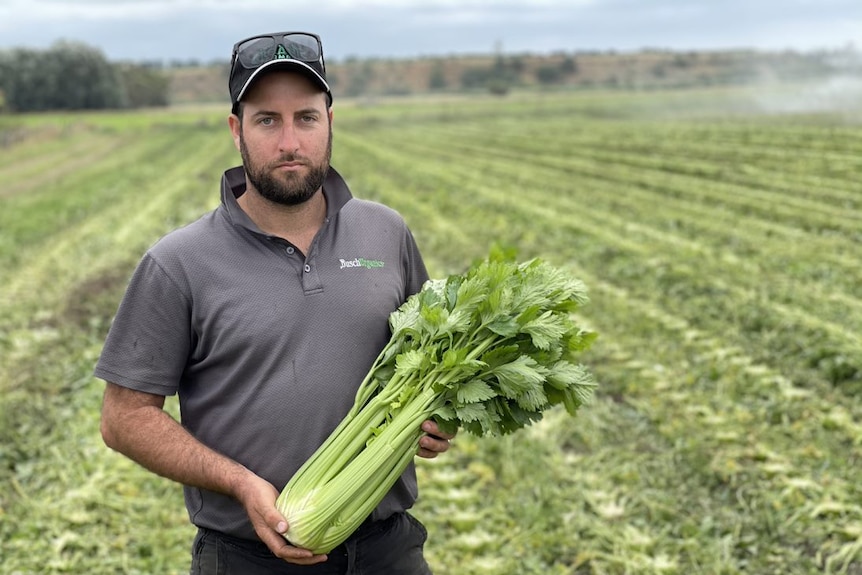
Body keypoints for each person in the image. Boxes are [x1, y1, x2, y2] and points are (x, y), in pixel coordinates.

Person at [96, 31, 453, 574]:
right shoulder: (179, 262)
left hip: (388, 550)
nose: (290, 141)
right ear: (237, 130)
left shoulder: (386, 232)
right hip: (246, 557)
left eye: (306, 118)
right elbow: (124, 418)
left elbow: (429, 361)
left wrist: (435, 421)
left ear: (330, 121)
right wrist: (239, 483)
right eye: (268, 120)